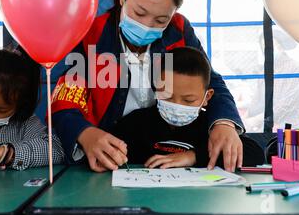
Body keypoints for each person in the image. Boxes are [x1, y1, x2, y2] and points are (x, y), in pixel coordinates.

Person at [52, 0, 245, 173]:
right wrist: (85, 133)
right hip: (108, 152)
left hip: (162, 151)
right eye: (139, 13)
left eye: (161, 20)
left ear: (174, 13)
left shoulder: (179, 31)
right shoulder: (92, 35)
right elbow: (65, 96)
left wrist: (224, 123)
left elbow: (209, 81)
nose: (146, 26)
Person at [109, 47, 264, 168]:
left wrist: (193, 157)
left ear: (207, 97)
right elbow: (110, 147)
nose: (177, 105)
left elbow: (254, 153)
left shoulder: (210, 129)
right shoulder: (136, 123)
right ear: (157, 88)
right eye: (168, 96)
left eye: (188, 100)